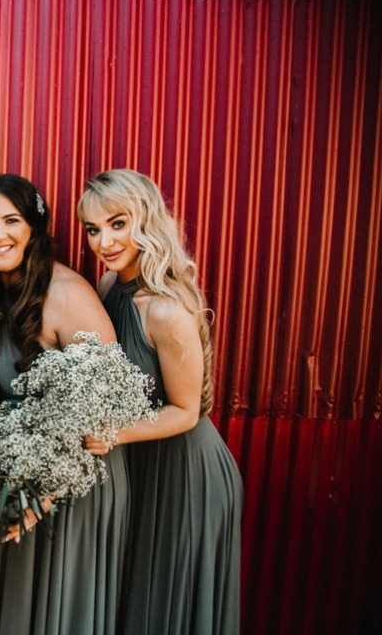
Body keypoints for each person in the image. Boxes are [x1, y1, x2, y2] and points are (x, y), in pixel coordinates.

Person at [0, 173, 128, 635]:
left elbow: (104, 406)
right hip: (19, 481)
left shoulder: (67, 294)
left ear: (34, 226)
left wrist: (43, 494)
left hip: (74, 486)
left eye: (11, 220)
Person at [77, 168, 242, 635]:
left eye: (118, 223)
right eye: (93, 228)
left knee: (167, 611)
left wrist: (110, 435)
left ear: (145, 220)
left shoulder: (167, 309)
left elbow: (187, 411)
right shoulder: (110, 286)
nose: (104, 241)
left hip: (186, 474)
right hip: (141, 467)